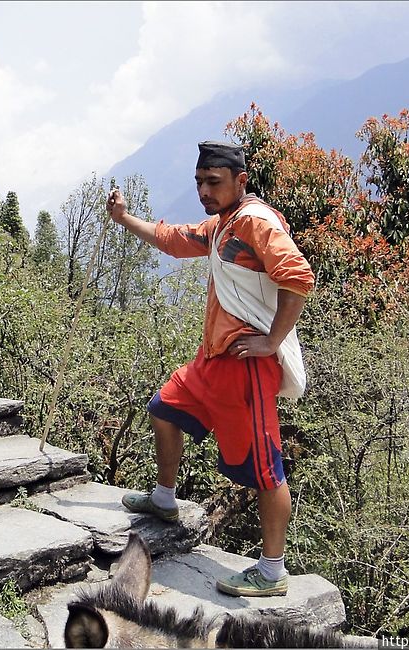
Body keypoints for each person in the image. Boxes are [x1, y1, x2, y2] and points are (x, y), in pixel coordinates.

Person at [106, 140, 314, 598]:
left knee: (265, 467)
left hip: (245, 367)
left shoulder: (257, 223)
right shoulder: (224, 225)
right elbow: (174, 239)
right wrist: (123, 219)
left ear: (241, 181)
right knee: (163, 408)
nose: (204, 190)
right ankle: (164, 500)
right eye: (199, 182)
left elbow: (298, 276)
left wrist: (272, 341)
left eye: (213, 182)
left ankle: (272, 571)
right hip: (212, 361)